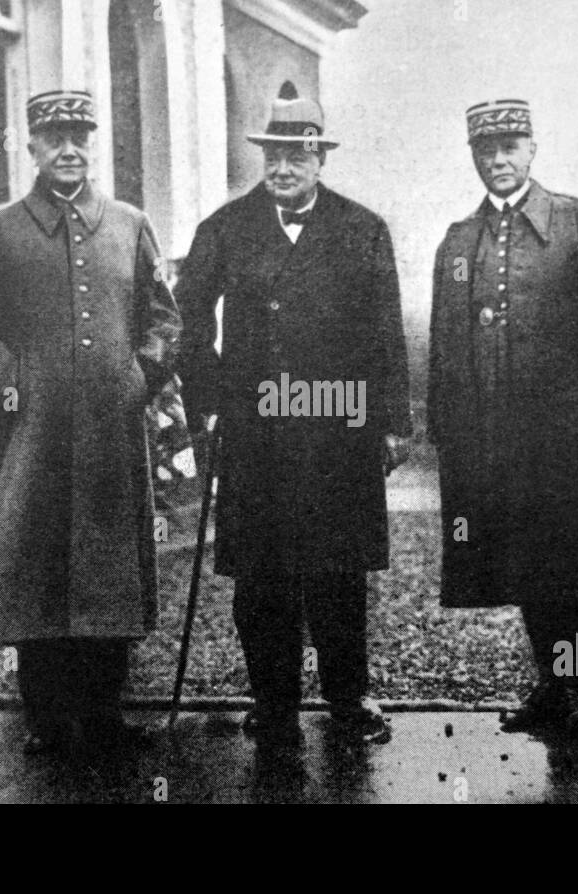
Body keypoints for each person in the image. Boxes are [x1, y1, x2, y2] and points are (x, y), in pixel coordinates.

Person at [0, 90, 181, 761]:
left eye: (80, 135)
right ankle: (45, 715)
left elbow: (164, 318)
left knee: (109, 567)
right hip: (34, 431)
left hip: (112, 429)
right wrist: (7, 382)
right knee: (36, 563)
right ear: (32, 147)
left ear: (93, 143)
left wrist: (139, 376)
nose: (69, 148)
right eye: (54, 137)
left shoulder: (130, 224)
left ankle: (105, 713)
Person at [174, 87, 413, 752]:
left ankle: (347, 696)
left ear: (319, 159)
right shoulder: (224, 229)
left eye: (299, 154)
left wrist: (392, 420)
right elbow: (185, 321)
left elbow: (385, 330)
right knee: (263, 573)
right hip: (257, 431)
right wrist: (212, 400)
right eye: (275, 154)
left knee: (339, 568)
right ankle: (272, 699)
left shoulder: (362, 228)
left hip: (339, 425)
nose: (285, 166)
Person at [429, 99, 578, 743]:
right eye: (485, 151)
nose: (498, 160)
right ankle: (550, 689)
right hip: (491, 432)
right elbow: (445, 338)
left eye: (510, 147)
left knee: (570, 564)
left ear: (532, 150)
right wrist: (449, 427)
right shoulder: (458, 240)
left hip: (563, 430)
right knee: (523, 562)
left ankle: (570, 693)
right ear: (474, 157)